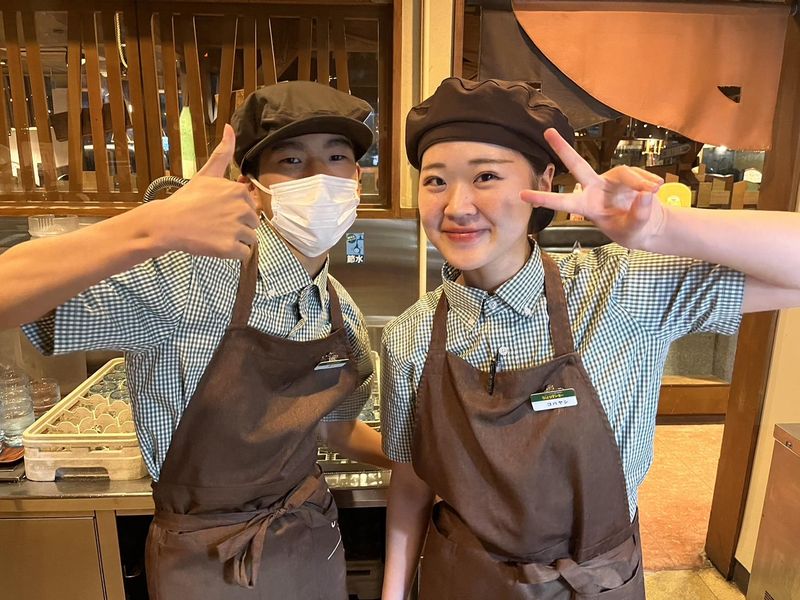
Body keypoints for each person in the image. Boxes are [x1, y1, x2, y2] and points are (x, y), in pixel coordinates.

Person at [379, 77, 800, 599]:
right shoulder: (410, 335)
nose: (457, 206)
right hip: (464, 579)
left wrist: (660, 229)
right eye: (436, 181)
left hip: (596, 582)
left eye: (486, 176)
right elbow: (412, 482)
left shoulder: (619, 288)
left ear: (545, 180)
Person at [3, 80, 388, 598]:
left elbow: (334, 430)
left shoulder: (341, 311)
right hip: (204, 557)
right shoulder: (187, 275)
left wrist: (433, 466)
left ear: (357, 180)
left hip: (309, 538)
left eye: (337, 157)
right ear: (252, 187)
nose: (320, 177)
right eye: (292, 161)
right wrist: (151, 228)